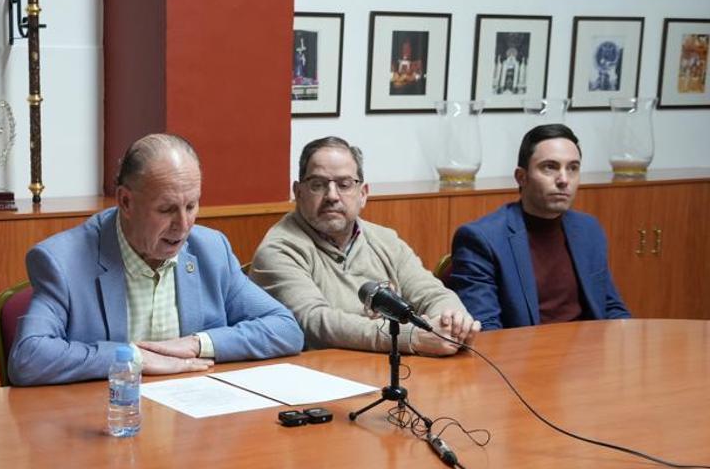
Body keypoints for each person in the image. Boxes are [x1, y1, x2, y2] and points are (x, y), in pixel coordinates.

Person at [8, 133, 303, 386]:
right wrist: (134, 357)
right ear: (126, 202)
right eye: (166, 209)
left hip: (193, 420)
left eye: (191, 205)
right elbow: (29, 357)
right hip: (108, 417)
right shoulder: (64, 261)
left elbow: (285, 329)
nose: (184, 224)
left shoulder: (211, 250)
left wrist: (197, 344)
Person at [250, 136, 479, 356]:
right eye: (318, 185)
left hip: (393, 370)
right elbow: (315, 322)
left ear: (363, 194)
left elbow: (431, 293)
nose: (332, 196)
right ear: (298, 193)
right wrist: (412, 338)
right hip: (318, 377)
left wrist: (452, 322)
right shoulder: (278, 250)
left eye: (344, 184)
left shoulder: (385, 240)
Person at [450, 125, 630, 329]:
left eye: (573, 168)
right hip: (525, 356)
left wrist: (624, 342)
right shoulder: (481, 239)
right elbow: (486, 329)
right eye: (550, 167)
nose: (563, 180)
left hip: (590, 352)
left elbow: (611, 306)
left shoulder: (589, 229)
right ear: (521, 177)